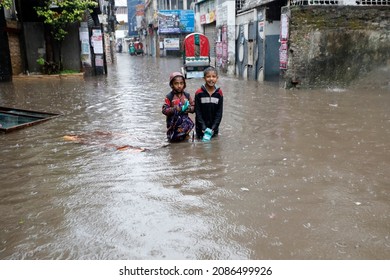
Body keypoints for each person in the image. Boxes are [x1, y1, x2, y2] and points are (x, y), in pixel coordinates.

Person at [162, 72, 195, 142]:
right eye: (176, 83)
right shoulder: (169, 97)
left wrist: (190, 109)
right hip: (172, 126)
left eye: (181, 83)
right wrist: (174, 109)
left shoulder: (187, 95)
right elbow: (164, 110)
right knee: (173, 144)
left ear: (184, 84)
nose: (179, 86)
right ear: (172, 85)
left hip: (184, 126)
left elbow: (193, 106)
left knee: (186, 144)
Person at [194, 66, 223, 139]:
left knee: (214, 146)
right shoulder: (198, 93)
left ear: (217, 78)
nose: (211, 79)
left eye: (213, 76)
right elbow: (198, 111)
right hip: (200, 128)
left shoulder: (219, 93)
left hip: (214, 128)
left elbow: (219, 113)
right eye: (208, 77)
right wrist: (203, 127)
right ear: (204, 78)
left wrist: (214, 127)